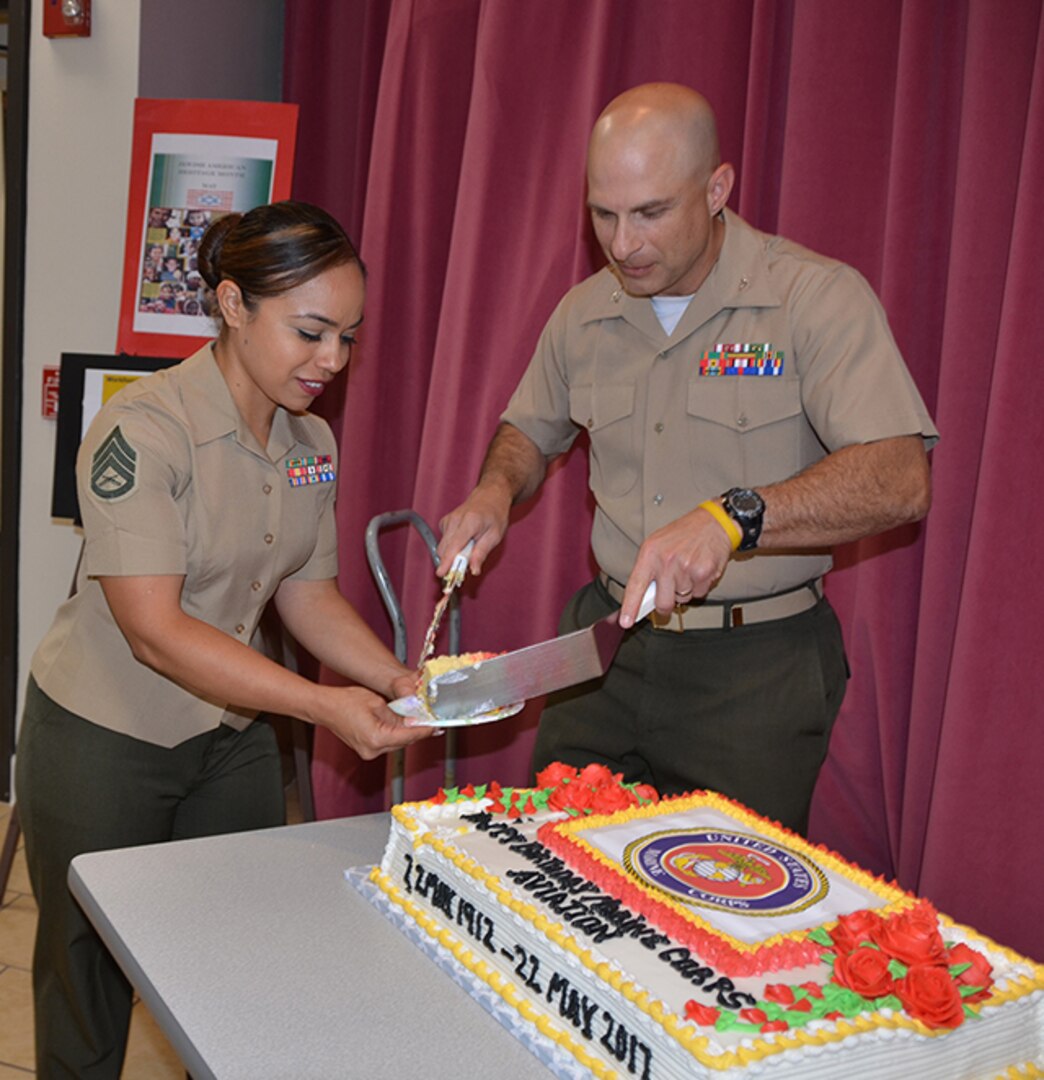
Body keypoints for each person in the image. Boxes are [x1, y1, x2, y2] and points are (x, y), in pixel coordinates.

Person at [438, 83, 937, 835]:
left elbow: (901, 479)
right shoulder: (586, 312)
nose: (623, 244)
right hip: (604, 649)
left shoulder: (814, 299)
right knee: (553, 867)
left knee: (722, 913)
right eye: (603, 214)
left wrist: (733, 519)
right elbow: (528, 431)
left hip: (754, 667)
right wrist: (494, 492)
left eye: (650, 213)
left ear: (717, 189)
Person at [16, 200, 432, 1078]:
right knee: (87, 980)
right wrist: (323, 705)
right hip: (105, 737)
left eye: (349, 337)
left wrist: (403, 680)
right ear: (235, 305)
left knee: (235, 962)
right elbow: (156, 633)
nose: (333, 361)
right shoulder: (142, 430)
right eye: (311, 331)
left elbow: (307, 596)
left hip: (232, 737)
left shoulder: (309, 440)